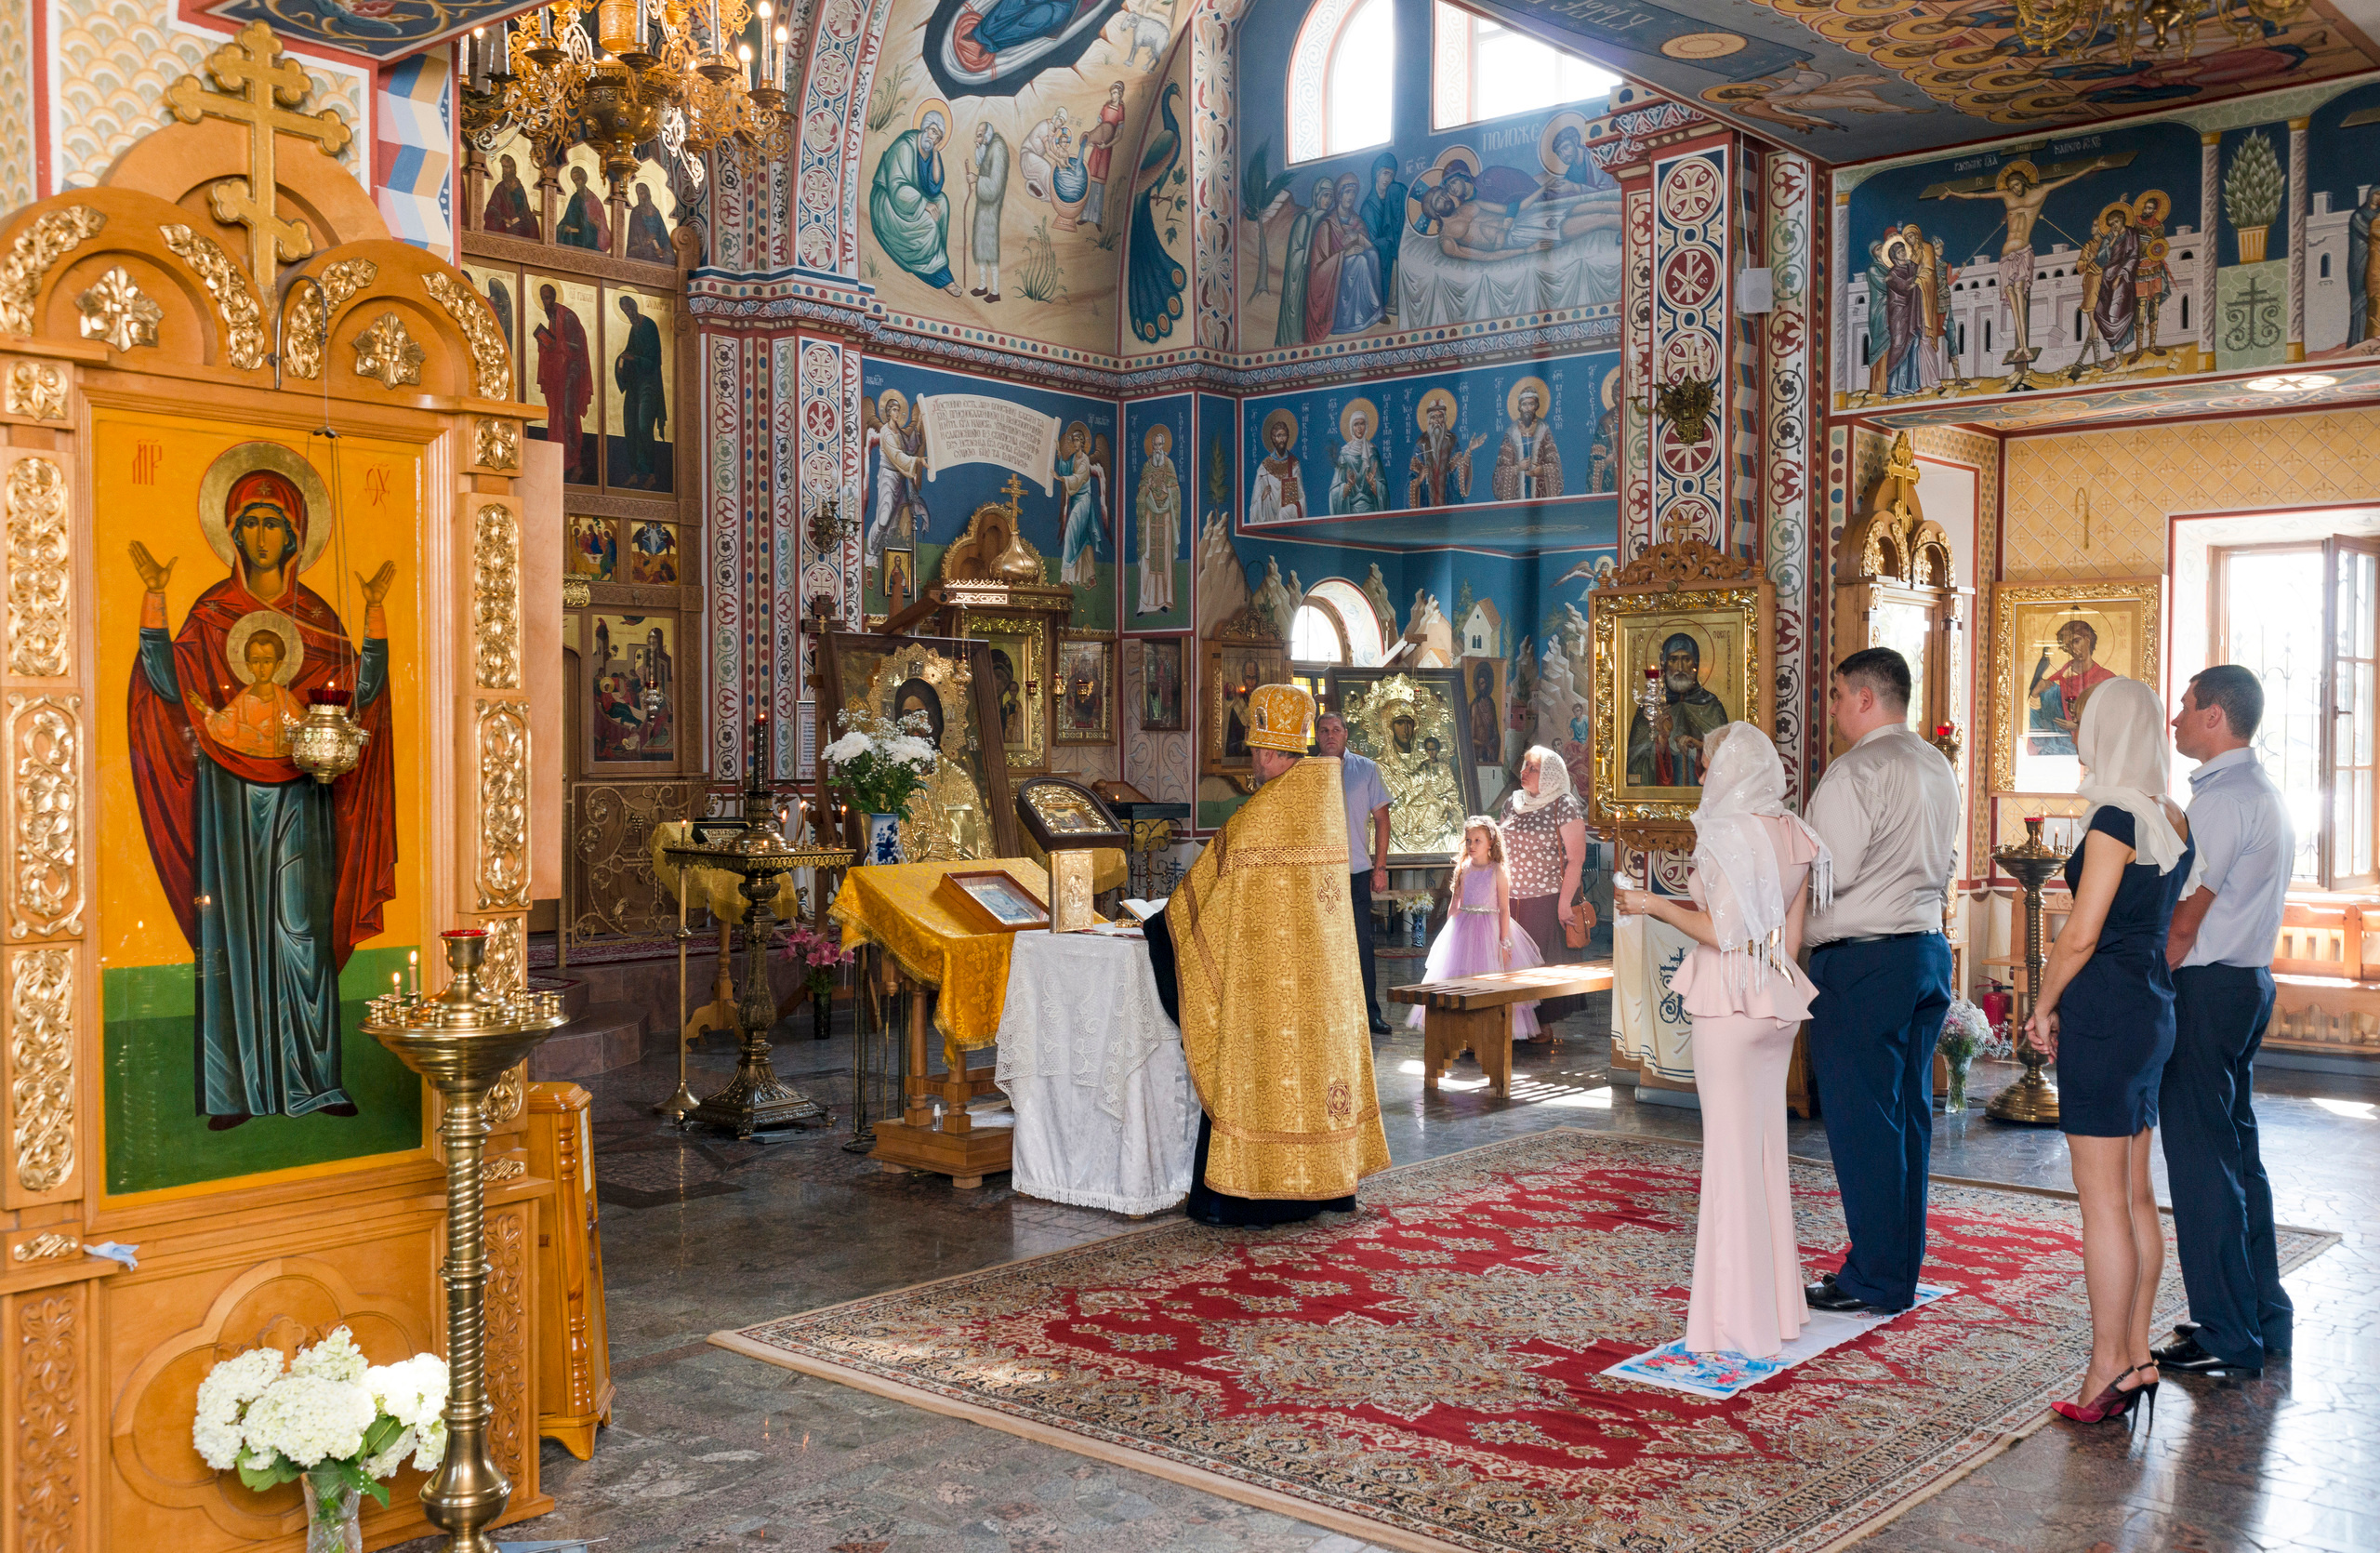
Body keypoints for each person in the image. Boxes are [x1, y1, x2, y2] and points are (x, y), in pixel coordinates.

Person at [127, 467, 398, 1128]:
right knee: (232, 937)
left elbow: (360, 694)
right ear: (233, 533)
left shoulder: (319, 618)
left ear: (296, 533)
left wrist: (374, 616)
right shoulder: (210, 614)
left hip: (302, 803)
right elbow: (167, 684)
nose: (261, 533)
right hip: (226, 802)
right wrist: (155, 601)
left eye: (273, 521)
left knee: (301, 933)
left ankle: (316, 1082)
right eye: (249, 521)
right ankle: (235, 1094)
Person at [1141, 684, 1390, 1227]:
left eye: (1258, 749)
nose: (1253, 758)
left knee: (1262, 1075)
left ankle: (1253, 1193)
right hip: (1321, 980)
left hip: (1267, 984)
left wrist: (1161, 927)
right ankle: (1321, 1186)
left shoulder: (1263, 813)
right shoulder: (1322, 798)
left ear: (1276, 752)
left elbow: (1208, 890)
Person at [1616, 723, 1829, 1359]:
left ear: (1733, 767)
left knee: (1731, 1162)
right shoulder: (1793, 831)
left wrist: (1649, 904)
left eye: (1708, 765)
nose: (1702, 777)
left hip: (1728, 1003)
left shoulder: (1726, 832)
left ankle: (1736, 1324)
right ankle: (1779, 1309)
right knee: (1764, 1157)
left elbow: (1722, 931)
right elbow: (1791, 939)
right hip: (1774, 1001)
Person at [2025, 676, 2195, 1423]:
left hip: (2105, 1014)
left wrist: (2042, 1003)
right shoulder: (2169, 814)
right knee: (2134, 1195)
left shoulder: (2115, 817)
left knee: (2102, 1206)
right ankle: (2136, 1356)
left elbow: (2081, 933)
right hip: (2151, 1007)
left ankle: (2107, 1366)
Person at [1803, 647, 1958, 1318]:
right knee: (1907, 1121)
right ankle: (1896, 1270)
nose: (1834, 708)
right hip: (1924, 951)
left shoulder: (1856, 770)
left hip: (1864, 963)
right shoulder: (1936, 764)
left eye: (1839, 695)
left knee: (1865, 1125)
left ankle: (1874, 1275)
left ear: (1866, 698)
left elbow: (1824, 875)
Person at [2153, 665, 2294, 1377]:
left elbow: (2183, 922)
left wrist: (2142, 985)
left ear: (2214, 716)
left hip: (2206, 990)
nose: (2176, 719)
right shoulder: (2259, 790)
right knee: (2236, 1157)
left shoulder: (2219, 801)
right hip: (2247, 983)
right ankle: (2263, 1315)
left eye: (2185, 706)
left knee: (2201, 1165)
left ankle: (2226, 1331)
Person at [1410, 816, 1543, 1036]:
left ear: (1490, 842)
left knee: (1487, 978)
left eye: (1477, 840)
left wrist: (1505, 942)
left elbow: (1504, 909)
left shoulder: (1497, 871)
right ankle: (1462, 1032)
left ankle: (1485, 1032)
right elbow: (1455, 904)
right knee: (1459, 978)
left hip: (1490, 930)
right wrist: (1449, 935)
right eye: (1468, 840)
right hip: (1464, 929)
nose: (1471, 845)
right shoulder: (1464, 869)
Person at [1496, 746, 1589, 1029]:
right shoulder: (1513, 803)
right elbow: (1498, 848)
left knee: (1539, 966)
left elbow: (1576, 859)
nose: (1523, 772)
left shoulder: (1564, 804)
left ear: (1550, 774)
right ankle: (1513, 1027)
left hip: (1545, 900)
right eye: (1524, 765)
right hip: (1511, 899)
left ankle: (1539, 1027)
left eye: (1532, 768)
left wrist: (1564, 903)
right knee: (1510, 963)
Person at [1317, 710, 1393, 1036]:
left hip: (1356, 871)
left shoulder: (1366, 769)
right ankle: (1327, 1015)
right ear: (1317, 736)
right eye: (1324, 730)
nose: (1330, 735)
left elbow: (1382, 820)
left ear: (1346, 734)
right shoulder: (1305, 772)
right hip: (1318, 875)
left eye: (1336, 729)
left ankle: (1369, 1013)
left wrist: (1380, 867)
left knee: (1362, 943)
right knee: (1322, 946)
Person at [869, 112, 961, 296]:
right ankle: (940, 276)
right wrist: (923, 203)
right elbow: (897, 185)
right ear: (924, 127)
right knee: (929, 225)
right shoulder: (905, 146)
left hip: (911, 200)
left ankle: (935, 261)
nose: (933, 137)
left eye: (938, 136)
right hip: (889, 203)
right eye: (932, 131)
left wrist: (936, 152)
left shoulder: (929, 150)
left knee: (942, 202)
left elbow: (934, 188)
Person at [1626, 631, 1729, 786]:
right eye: (1673, 659)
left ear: (1696, 664)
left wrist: (1699, 745)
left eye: (1686, 659)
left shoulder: (1712, 706)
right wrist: (1661, 740)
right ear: (1664, 664)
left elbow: (1728, 758)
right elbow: (1635, 765)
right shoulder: (1650, 708)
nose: (1680, 667)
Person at [535, 285, 593, 482]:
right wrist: (546, 343)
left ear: (554, 297)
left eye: (548, 298)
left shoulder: (567, 317)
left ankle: (575, 462)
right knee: (556, 416)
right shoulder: (552, 318)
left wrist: (556, 343)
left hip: (572, 373)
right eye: (543, 298)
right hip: (559, 374)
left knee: (568, 414)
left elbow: (578, 346)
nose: (545, 302)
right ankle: (561, 461)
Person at [612, 295, 667, 490]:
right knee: (630, 425)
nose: (628, 313)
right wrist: (621, 362)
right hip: (634, 385)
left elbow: (653, 361)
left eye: (629, 309)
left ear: (635, 307)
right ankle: (635, 473)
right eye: (624, 311)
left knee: (644, 426)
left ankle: (650, 473)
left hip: (649, 385)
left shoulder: (649, 326)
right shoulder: (634, 329)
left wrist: (633, 359)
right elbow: (629, 351)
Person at [969, 122, 1009, 300]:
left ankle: (995, 291)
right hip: (983, 206)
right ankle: (983, 285)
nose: (976, 139)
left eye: (979, 135)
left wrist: (977, 180)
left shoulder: (998, 148)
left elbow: (994, 186)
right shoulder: (989, 146)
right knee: (981, 244)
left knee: (990, 247)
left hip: (991, 206)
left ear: (986, 135)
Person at [482, 153, 540, 238]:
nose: (504, 170)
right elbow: (491, 208)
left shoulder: (519, 187)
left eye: (507, 167)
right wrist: (503, 218)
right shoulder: (500, 187)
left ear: (512, 168)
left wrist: (528, 215)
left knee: (532, 222)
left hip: (520, 223)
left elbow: (525, 208)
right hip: (505, 224)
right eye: (503, 167)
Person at [556, 165, 611, 251]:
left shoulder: (594, 199)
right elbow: (568, 218)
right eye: (574, 180)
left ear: (584, 179)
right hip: (575, 235)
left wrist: (594, 223)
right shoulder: (574, 198)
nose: (577, 183)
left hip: (590, 237)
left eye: (578, 179)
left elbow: (601, 225)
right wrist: (564, 227)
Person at [625, 182, 673, 262]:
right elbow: (633, 238)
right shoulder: (636, 212)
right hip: (642, 248)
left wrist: (663, 249)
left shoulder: (656, 212)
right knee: (648, 253)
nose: (641, 197)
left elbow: (663, 234)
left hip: (658, 249)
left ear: (648, 194)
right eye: (639, 194)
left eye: (643, 193)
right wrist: (647, 241)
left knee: (668, 258)